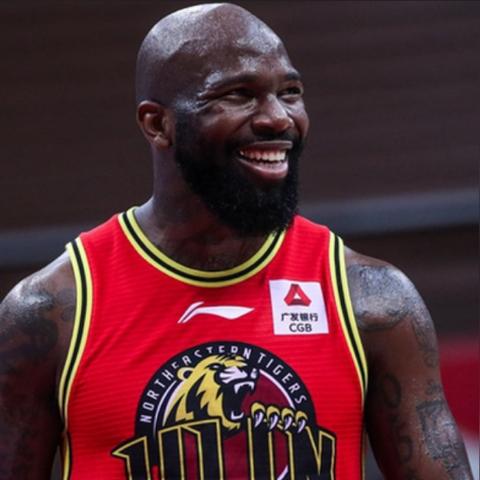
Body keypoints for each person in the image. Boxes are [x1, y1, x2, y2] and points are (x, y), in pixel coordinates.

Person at [0, 3, 473, 479]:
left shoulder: (372, 299)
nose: (278, 118)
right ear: (157, 124)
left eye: (290, 93)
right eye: (238, 95)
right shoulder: (51, 312)